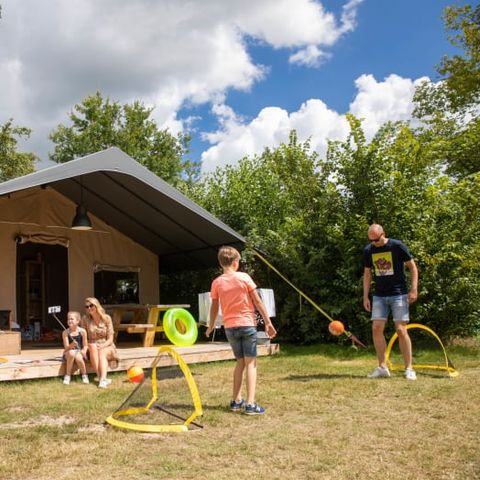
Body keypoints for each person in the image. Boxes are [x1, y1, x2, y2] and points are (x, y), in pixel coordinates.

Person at [206, 246, 277, 415]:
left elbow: (214, 308)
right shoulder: (244, 278)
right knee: (250, 363)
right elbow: (258, 301)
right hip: (247, 325)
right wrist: (267, 322)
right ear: (236, 262)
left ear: (220, 263)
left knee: (239, 363)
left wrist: (210, 326)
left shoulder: (217, 282)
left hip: (230, 328)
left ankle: (236, 401)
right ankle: (251, 404)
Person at [363, 224, 418, 380]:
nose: (375, 243)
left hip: (399, 294)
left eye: (377, 239)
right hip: (379, 295)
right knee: (376, 328)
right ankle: (382, 367)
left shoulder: (397, 246)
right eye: (371, 240)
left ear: (383, 234)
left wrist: (413, 289)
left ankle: (409, 368)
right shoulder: (369, 250)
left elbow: (412, 268)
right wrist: (365, 296)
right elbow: (367, 274)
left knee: (401, 330)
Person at [82, 297, 119, 388]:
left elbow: (110, 338)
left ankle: (102, 379)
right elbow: (84, 336)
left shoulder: (107, 318)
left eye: (91, 306)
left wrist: (102, 345)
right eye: (87, 307)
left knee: (101, 351)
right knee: (93, 346)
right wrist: (85, 347)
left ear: (97, 305)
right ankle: (102, 379)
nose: (89, 308)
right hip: (92, 345)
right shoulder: (85, 319)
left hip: (106, 344)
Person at [62, 311, 89, 385]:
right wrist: (71, 345)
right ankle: (67, 375)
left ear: (77, 321)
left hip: (79, 352)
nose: (69, 321)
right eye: (68, 319)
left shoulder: (82, 331)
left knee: (78, 357)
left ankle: (84, 375)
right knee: (71, 353)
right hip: (68, 352)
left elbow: (85, 345)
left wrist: (84, 351)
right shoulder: (65, 332)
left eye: (72, 319)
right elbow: (66, 348)